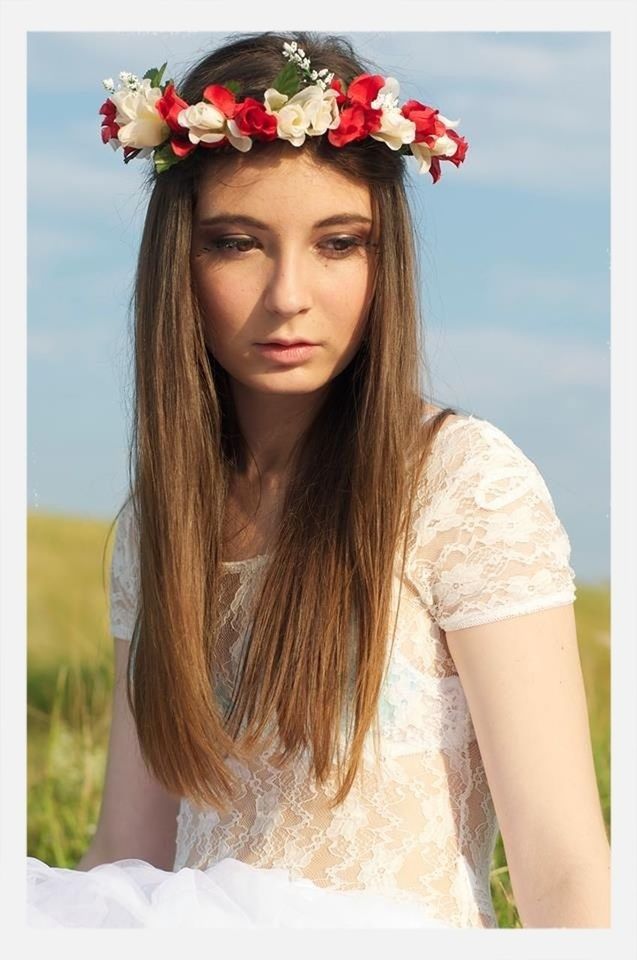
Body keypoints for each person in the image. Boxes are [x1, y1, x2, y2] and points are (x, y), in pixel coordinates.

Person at [27, 31, 610, 929]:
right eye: (237, 244)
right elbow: (127, 854)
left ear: (385, 262)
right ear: (179, 263)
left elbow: (564, 866)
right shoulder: (163, 524)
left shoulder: (459, 484)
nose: (289, 294)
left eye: (338, 244)